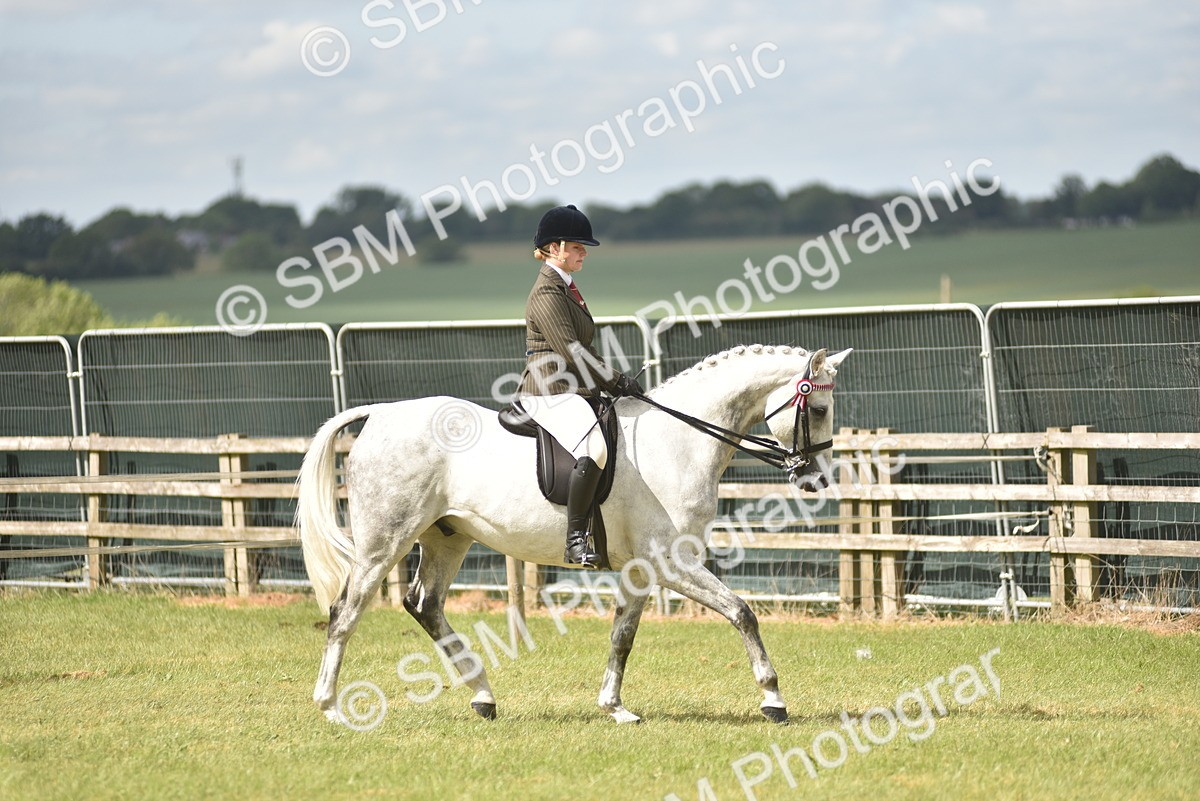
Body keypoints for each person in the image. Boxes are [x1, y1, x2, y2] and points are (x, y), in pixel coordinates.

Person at [517, 204, 643, 568]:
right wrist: (615, 380)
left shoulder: (567, 287)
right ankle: (574, 541)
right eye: (577, 246)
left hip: (574, 387)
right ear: (554, 247)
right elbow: (571, 351)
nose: (584, 252)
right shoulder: (547, 293)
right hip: (549, 390)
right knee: (595, 449)